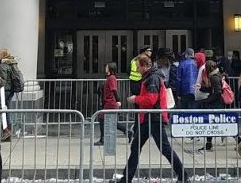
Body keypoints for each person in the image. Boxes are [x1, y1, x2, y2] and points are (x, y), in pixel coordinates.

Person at [117, 55, 187, 183]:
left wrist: (136, 99)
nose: (137, 69)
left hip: (153, 117)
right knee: (137, 147)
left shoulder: (152, 78)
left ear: (145, 66)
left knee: (164, 148)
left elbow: (151, 100)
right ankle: (126, 178)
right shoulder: (151, 77)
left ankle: (183, 176)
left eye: (138, 67)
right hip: (150, 117)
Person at [95, 61, 127, 146]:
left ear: (110, 68)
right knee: (109, 121)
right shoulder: (109, 78)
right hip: (109, 102)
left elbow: (114, 90)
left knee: (102, 118)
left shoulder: (111, 78)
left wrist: (118, 100)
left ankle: (103, 139)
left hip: (111, 102)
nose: (105, 68)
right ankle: (128, 131)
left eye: (106, 67)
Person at [197, 60, 223, 152]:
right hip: (216, 103)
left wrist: (207, 100)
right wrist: (202, 88)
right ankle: (208, 143)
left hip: (215, 104)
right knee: (215, 124)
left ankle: (239, 140)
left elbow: (217, 92)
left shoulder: (214, 77)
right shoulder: (217, 75)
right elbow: (213, 89)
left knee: (215, 124)